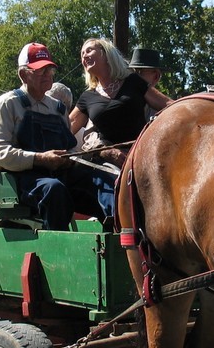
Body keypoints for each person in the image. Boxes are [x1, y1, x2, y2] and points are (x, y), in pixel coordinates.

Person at [0, 42, 103, 231]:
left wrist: (70, 158)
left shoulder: (58, 108)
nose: (47, 75)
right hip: (20, 180)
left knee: (100, 182)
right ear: (23, 75)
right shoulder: (8, 104)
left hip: (57, 176)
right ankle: (58, 247)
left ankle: (118, 239)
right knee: (54, 190)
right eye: (40, 71)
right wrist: (40, 159)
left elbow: (71, 148)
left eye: (49, 70)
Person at [69, 38, 172, 218]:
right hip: (105, 161)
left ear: (106, 53)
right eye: (82, 53)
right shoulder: (87, 97)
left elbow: (169, 105)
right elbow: (65, 128)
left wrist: (205, 104)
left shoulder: (133, 82)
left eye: (89, 50)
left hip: (138, 156)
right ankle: (122, 232)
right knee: (114, 184)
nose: (84, 55)